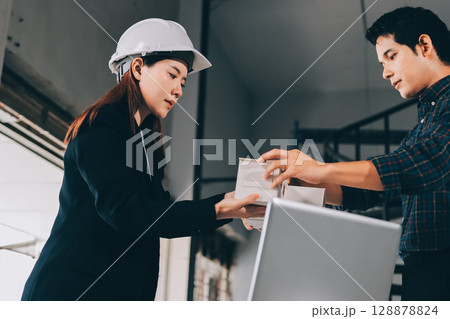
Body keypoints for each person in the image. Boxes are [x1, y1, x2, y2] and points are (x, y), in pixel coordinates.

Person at [21, 18, 264, 301]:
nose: (179, 90)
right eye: (172, 75)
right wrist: (221, 209)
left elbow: (157, 214)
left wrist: (229, 202)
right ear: (137, 68)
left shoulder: (146, 143)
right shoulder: (100, 127)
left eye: (183, 82)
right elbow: (127, 213)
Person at [257, 7, 450, 301]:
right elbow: (366, 193)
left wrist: (320, 170)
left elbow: (427, 163)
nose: (385, 72)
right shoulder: (421, 129)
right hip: (421, 271)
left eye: (391, 56)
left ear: (424, 45)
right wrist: (295, 186)